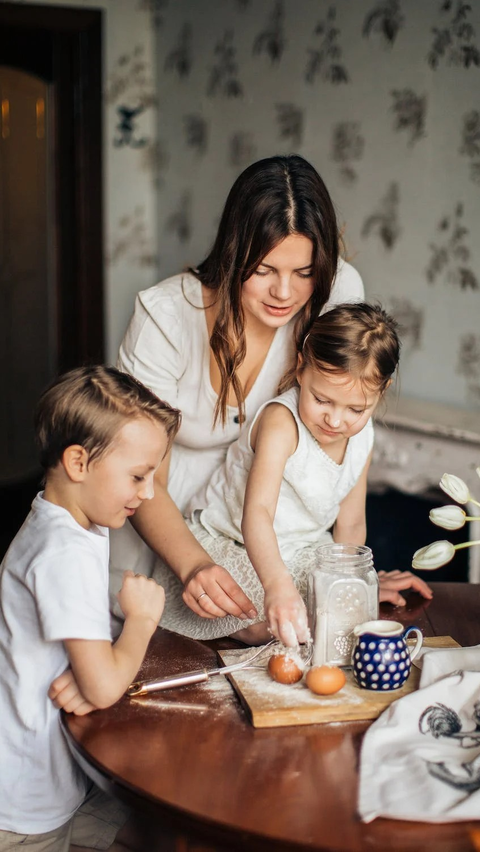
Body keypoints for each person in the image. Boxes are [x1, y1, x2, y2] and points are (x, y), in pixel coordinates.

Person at [109, 153, 430, 623]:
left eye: (303, 273)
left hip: (273, 544)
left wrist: (347, 579)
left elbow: (346, 392)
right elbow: (139, 474)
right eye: (264, 270)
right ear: (234, 253)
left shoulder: (334, 290)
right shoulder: (165, 317)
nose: (285, 293)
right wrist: (194, 563)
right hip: (159, 526)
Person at [153, 303, 432, 646]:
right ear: (301, 369)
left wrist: (353, 583)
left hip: (304, 551)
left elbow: (351, 523)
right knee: (270, 620)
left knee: (340, 612)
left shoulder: (364, 436)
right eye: (321, 399)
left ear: (381, 392)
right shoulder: (281, 424)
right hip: (235, 543)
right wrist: (277, 587)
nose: (335, 420)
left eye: (355, 409)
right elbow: (257, 515)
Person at [0, 366, 180, 852]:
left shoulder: (68, 520)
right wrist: (142, 620)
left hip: (54, 771)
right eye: (139, 476)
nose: (147, 493)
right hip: (27, 801)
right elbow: (103, 687)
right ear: (78, 463)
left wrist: (89, 670)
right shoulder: (63, 553)